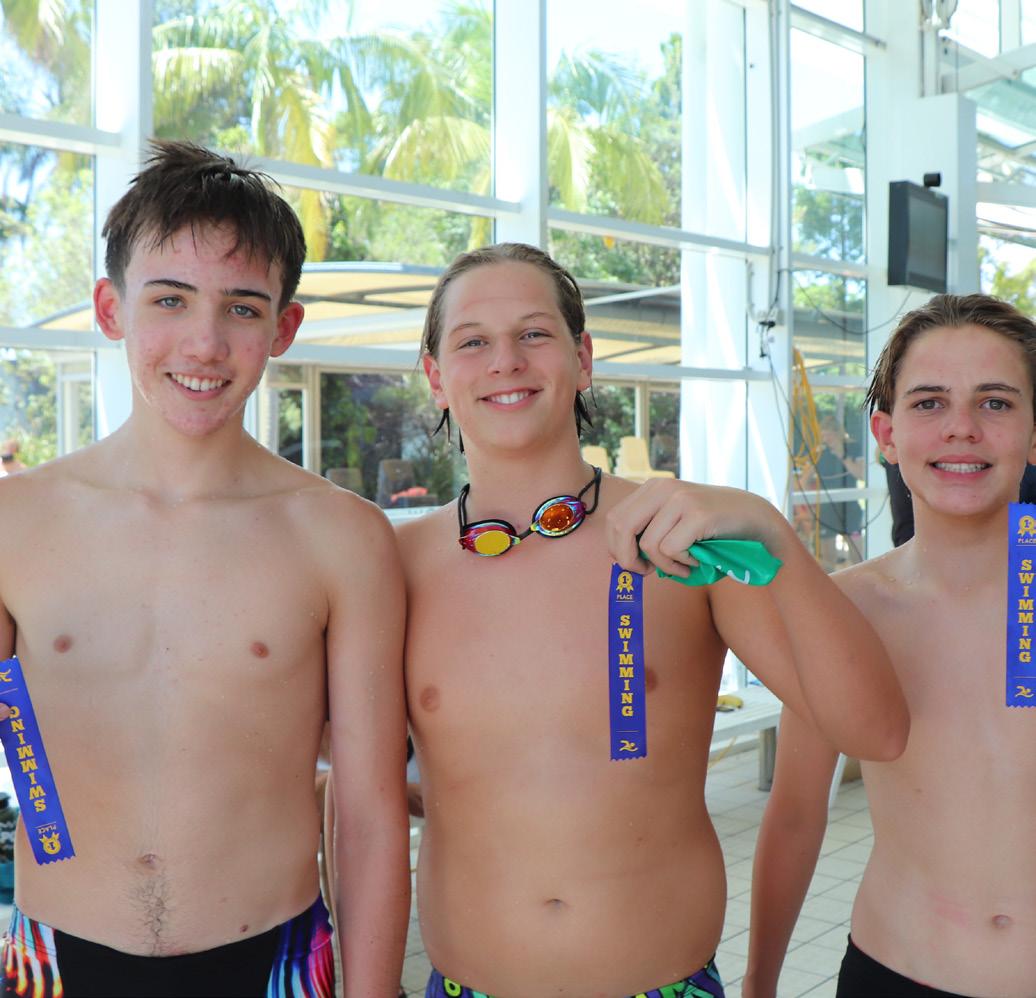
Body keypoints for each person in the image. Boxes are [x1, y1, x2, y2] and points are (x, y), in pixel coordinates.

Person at [398, 242, 907, 998]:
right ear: (437, 377)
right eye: (473, 342)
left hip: (664, 982)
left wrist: (774, 536)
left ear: (583, 358)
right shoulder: (396, 565)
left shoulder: (680, 539)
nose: (506, 360)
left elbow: (874, 732)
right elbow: (355, 790)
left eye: (534, 333)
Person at [0, 141, 409, 996]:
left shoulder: (342, 538)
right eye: (170, 299)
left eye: (243, 308)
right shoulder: (17, 522)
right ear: (111, 309)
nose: (205, 342)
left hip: (274, 957)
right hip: (54, 962)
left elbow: (370, 815)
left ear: (283, 328)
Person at [743, 293, 1036, 998]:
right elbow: (797, 812)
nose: (962, 428)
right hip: (897, 972)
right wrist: (759, 983)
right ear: (886, 432)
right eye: (929, 403)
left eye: (995, 402)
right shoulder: (843, 609)